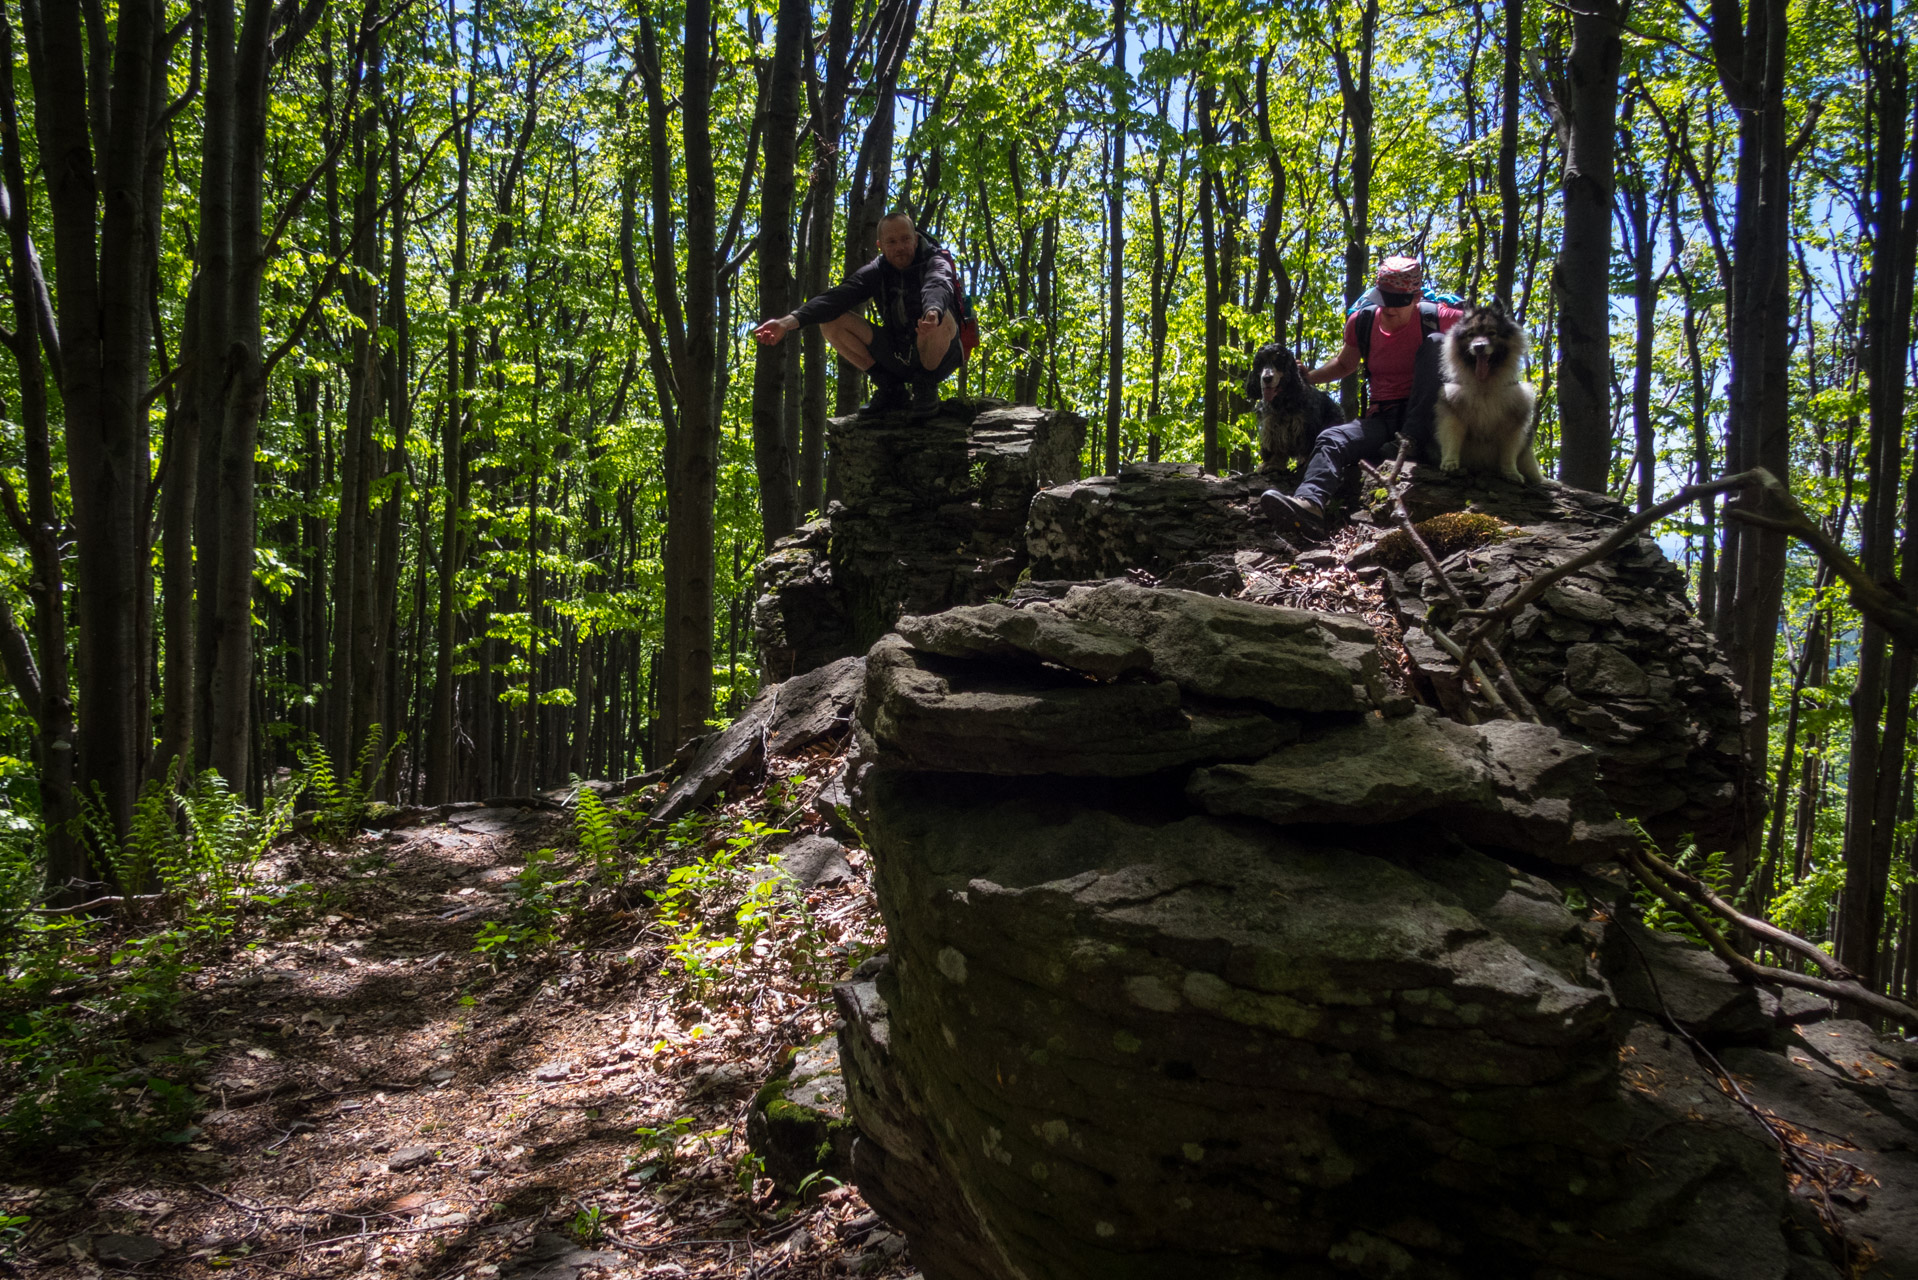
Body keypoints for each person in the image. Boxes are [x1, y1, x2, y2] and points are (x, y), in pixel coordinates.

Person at [1258, 255, 1463, 543]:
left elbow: (1489, 338)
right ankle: (1308, 505)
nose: (1389, 306)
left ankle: (1413, 442)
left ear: (1416, 297)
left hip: (1432, 417)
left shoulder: (1439, 318)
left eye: (1399, 300)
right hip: (1383, 418)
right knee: (1331, 438)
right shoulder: (1363, 322)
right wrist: (1308, 377)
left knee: (1438, 343)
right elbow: (1345, 365)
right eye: (1384, 297)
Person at [752, 208, 962, 419]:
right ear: (880, 245)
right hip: (899, 353)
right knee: (830, 321)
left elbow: (938, 283)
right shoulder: (877, 270)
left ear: (915, 239)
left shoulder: (935, 260)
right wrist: (786, 323)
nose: (900, 247)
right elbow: (838, 296)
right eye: (892, 242)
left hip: (939, 355)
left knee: (939, 319)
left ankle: (926, 388)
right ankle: (891, 389)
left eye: (905, 239)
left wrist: (932, 312)